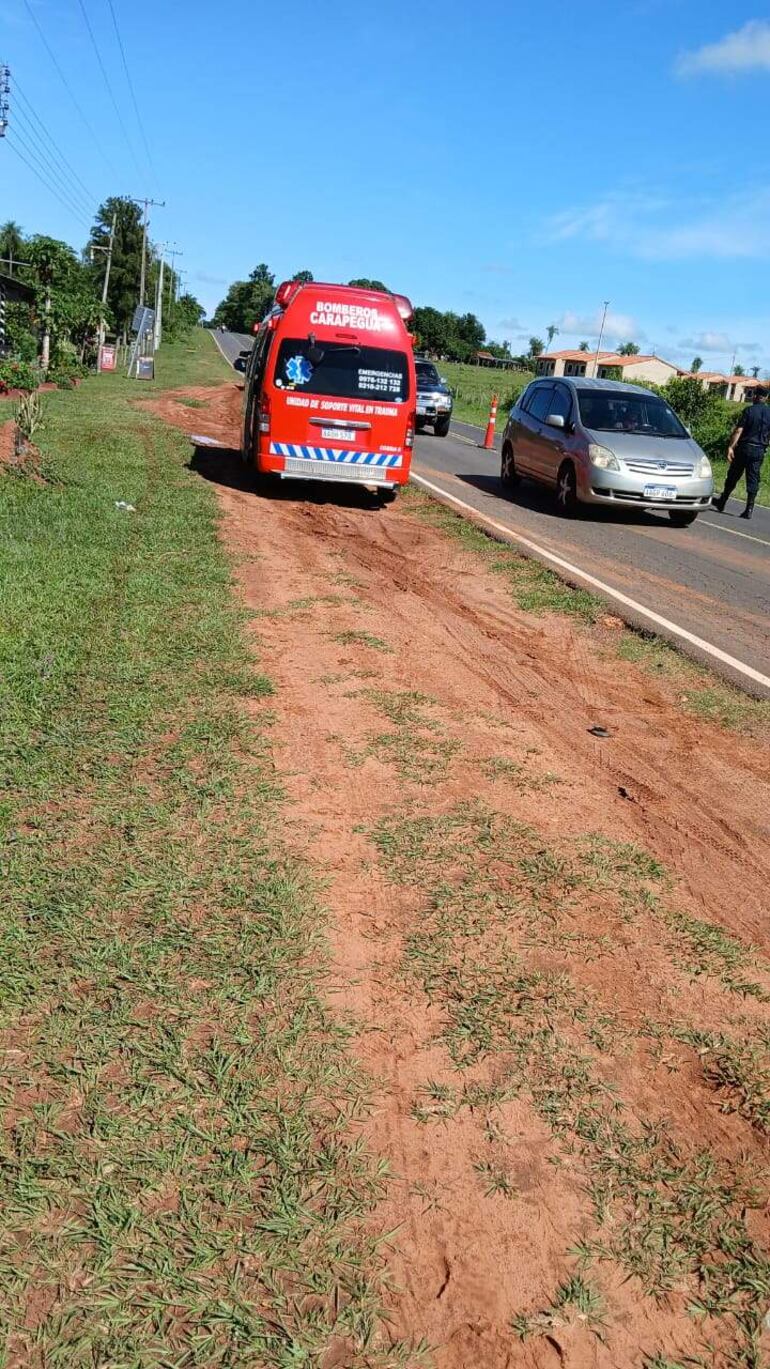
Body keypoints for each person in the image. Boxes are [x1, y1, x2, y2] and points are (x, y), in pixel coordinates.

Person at [712, 386, 770, 520]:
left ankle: (723, 500)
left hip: (744, 447)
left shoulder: (749, 410)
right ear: (766, 398)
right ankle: (749, 509)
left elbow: (738, 431)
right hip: (759, 450)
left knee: (733, 475)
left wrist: (731, 447)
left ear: (755, 396)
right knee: (753, 478)